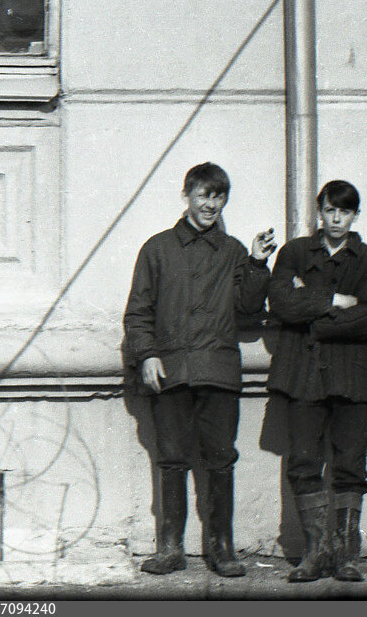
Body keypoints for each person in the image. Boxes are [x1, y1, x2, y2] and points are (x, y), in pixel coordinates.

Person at [123, 162, 276, 578]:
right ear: (187, 196)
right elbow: (138, 312)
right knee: (171, 458)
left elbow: (249, 310)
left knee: (220, 460)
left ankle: (221, 548)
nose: (210, 204)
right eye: (203, 195)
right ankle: (170, 547)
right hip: (170, 371)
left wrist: (257, 263)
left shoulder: (233, 252)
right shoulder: (157, 249)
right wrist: (147, 355)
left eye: (218, 196)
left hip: (218, 372)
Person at [265, 180, 367, 583]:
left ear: (355, 216)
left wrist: (312, 316)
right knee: (303, 462)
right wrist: (334, 301)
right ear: (319, 212)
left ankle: (345, 556)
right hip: (304, 373)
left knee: (350, 464)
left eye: (345, 212)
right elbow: (281, 303)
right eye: (330, 210)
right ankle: (315, 553)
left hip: (354, 374)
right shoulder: (294, 253)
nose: (336, 219)